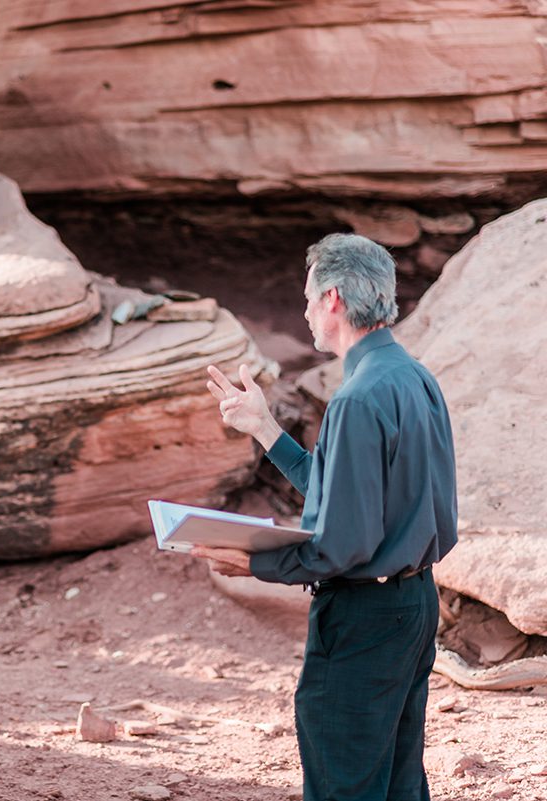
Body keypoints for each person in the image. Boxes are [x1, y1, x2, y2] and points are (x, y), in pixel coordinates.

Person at [195, 233, 457, 801]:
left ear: (333, 299)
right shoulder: (413, 379)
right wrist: (266, 428)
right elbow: (352, 498)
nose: (305, 310)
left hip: (363, 618)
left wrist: (256, 562)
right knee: (399, 784)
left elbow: (342, 542)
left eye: (309, 296)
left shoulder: (358, 399)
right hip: (413, 606)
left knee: (344, 784)